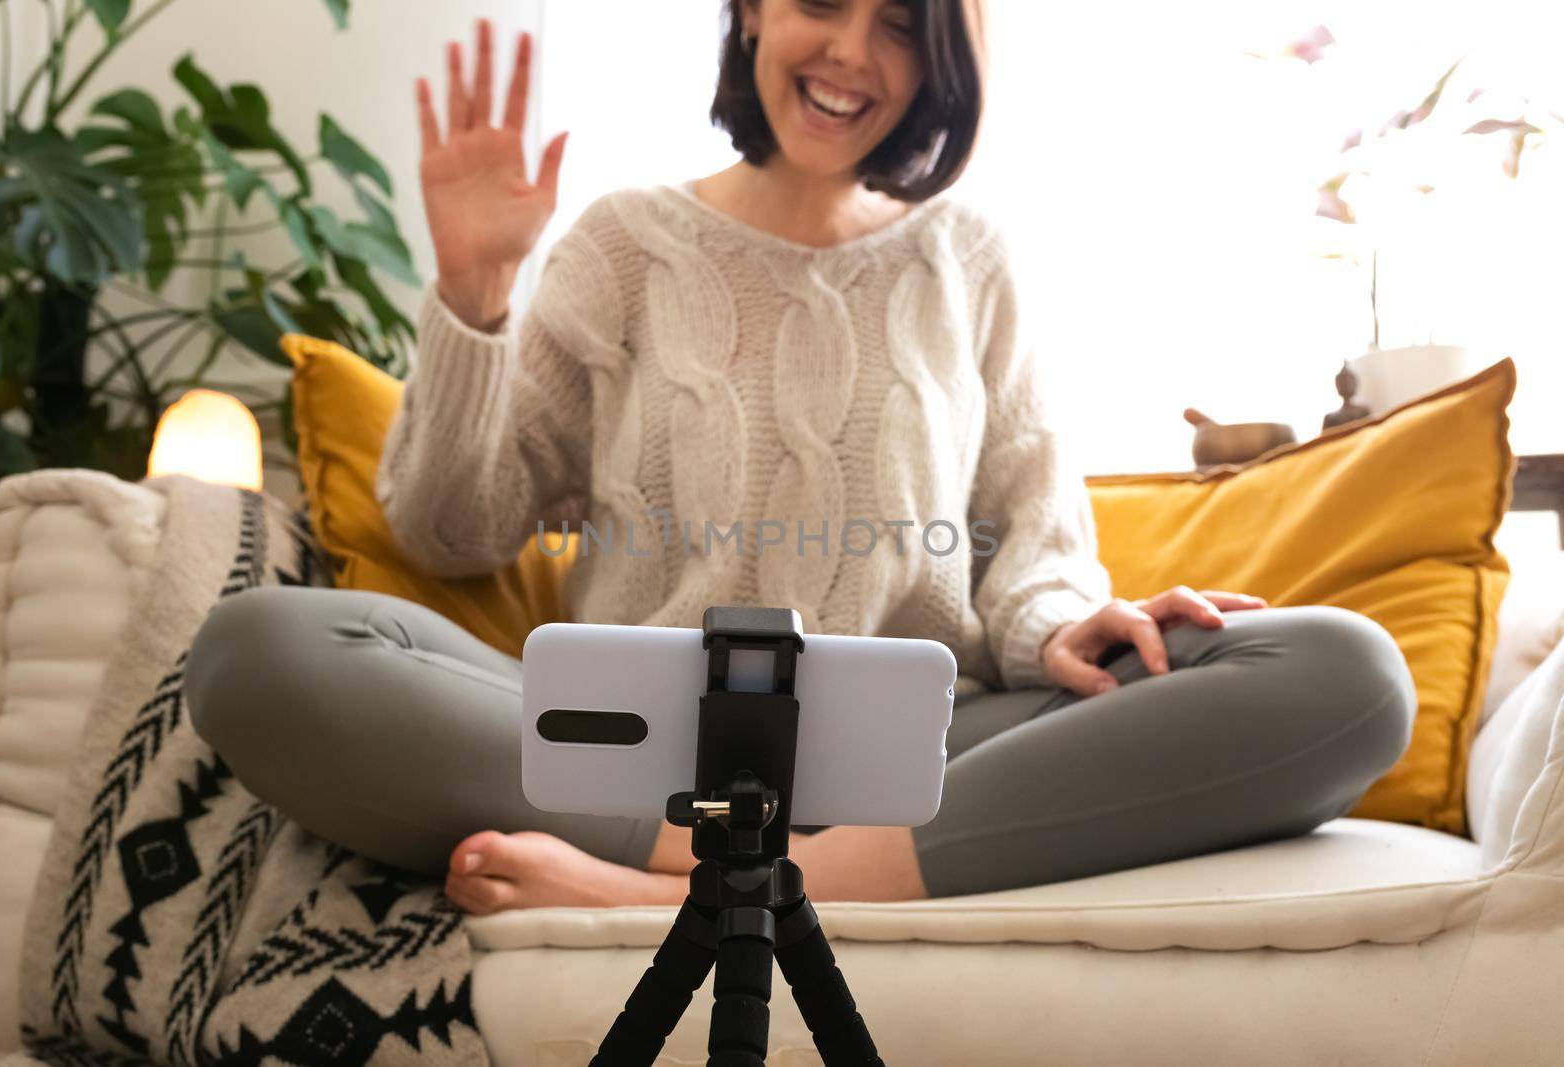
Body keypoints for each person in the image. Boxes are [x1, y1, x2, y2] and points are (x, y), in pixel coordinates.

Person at [185, 0, 1417, 915]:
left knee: (1346, 671)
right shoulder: (622, 245)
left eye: (898, 27)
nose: (851, 56)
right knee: (261, 649)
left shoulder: (968, 259)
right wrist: (475, 295)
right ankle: (744, 866)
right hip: (638, 750)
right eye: (821, 4)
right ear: (753, 14)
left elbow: (1027, 529)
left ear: (938, 64)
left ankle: (720, 888)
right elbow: (455, 526)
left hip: (923, 753)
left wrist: (1059, 623)